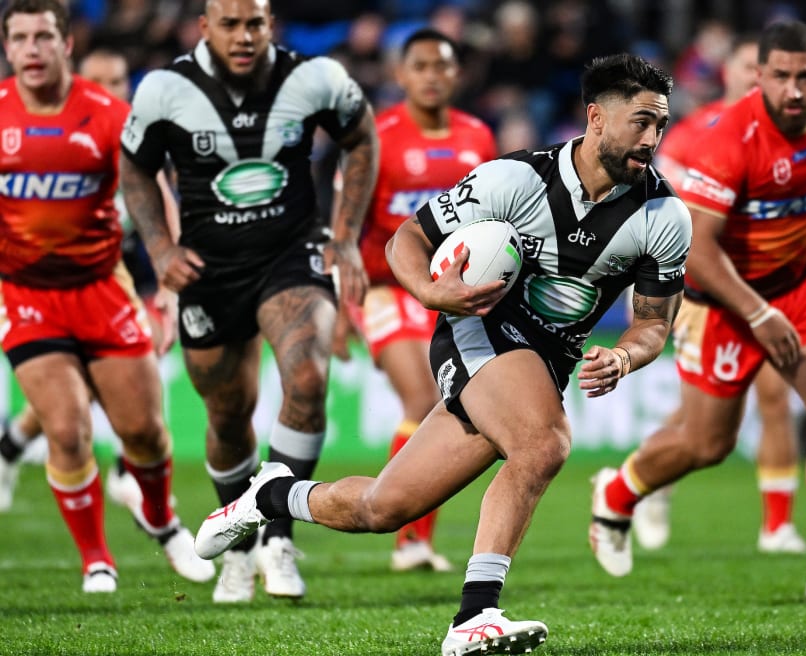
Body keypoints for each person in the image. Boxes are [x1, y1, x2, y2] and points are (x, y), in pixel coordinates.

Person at [194, 53, 690, 655]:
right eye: (641, 122)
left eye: (660, 125)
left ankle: (267, 496)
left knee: (383, 508)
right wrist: (431, 291)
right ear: (594, 118)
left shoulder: (664, 216)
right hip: (476, 328)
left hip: (546, 361)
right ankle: (474, 618)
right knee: (543, 444)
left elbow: (652, 322)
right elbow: (412, 236)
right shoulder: (516, 180)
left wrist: (627, 357)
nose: (652, 138)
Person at [588, 21, 806, 603]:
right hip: (722, 299)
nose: (795, 90)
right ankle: (617, 494)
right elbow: (697, 251)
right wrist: (757, 313)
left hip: (798, 285)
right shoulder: (728, 140)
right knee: (707, 444)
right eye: (781, 76)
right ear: (760, 76)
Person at [119, 0, 379, 603]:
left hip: (292, 254)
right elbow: (135, 167)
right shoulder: (165, 89)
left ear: (271, 26)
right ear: (204, 27)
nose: (244, 36)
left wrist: (344, 237)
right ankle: (238, 548)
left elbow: (360, 136)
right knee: (228, 413)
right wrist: (160, 250)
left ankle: (278, 539)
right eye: (230, 24)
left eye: (255, 23)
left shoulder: (314, 78)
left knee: (308, 379)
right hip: (209, 269)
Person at [0, 0, 213, 592]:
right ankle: (96, 556)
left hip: (102, 287)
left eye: (43, 36)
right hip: (25, 295)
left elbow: (155, 191)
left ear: (66, 44)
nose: (32, 49)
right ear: (8, 48)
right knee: (66, 430)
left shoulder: (108, 116)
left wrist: (167, 274)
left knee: (143, 431)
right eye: (19, 38)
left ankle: (161, 519)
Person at [635, 33, 806, 555]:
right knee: (699, 415)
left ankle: (777, 526)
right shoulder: (689, 134)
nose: (756, 78)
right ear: (728, 75)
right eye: (748, 68)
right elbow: (664, 208)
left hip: (768, 281)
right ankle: (648, 478)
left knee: (776, 396)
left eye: (766, 71)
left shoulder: (792, 134)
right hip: (703, 285)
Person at [338, 27, 498, 572]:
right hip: (388, 287)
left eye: (443, 66)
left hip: (457, 292)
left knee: (454, 403)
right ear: (400, 75)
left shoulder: (479, 137)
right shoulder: (376, 136)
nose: (433, 76)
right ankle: (409, 539)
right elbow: (346, 221)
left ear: (457, 74)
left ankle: (413, 538)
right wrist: (340, 302)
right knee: (422, 398)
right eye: (422, 66)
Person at [0, 46, 182, 514]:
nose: (106, 92)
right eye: (96, 82)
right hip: (60, 285)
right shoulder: (60, 149)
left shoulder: (136, 142)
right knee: (76, 385)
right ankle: (24, 447)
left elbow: (165, 208)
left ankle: (24, 447)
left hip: (129, 277)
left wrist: (169, 283)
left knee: (125, 366)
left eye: (117, 82)